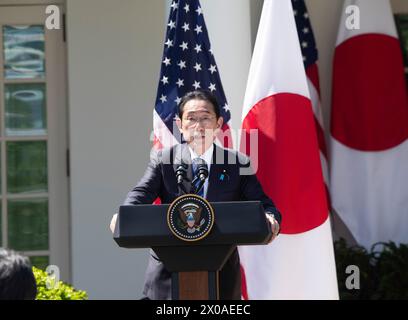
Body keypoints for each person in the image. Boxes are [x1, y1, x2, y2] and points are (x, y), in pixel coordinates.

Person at [110, 90, 281, 300]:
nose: (198, 126)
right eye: (190, 119)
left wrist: (271, 218)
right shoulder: (164, 160)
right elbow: (140, 194)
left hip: (221, 276)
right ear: (180, 125)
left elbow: (266, 205)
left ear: (218, 123)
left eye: (205, 118)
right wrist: (124, 215)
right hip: (167, 277)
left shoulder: (237, 163)